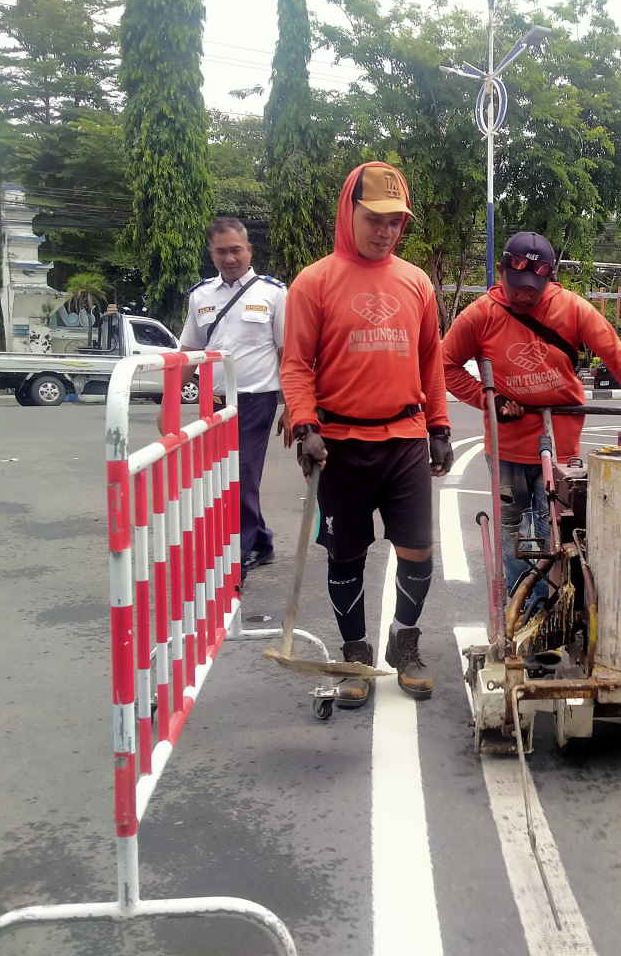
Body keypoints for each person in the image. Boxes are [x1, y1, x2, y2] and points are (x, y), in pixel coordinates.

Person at [280, 162, 453, 708]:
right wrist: (304, 422)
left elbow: (432, 362)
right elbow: (296, 364)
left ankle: (404, 642)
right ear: (348, 211)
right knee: (346, 555)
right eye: (375, 218)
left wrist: (441, 426)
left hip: (403, 436)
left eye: (396, 221)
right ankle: (354, 652)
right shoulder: (315, 281)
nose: (385, 230)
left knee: (419, 549)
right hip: (339, 445)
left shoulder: (416, 281)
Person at [442, 231, 621, 592]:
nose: (525, 295)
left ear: (549, 278)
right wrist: (490, 400)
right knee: (512, 530)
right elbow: (445, 366)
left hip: (560, 449)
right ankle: (518, 610)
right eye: (517, 286)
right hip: (507, 449)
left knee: (555, 534)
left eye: (534, 286)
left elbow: (620, 359)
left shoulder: (572, 309)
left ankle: (547, 609)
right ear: (501, 273)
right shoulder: (481, 315)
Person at [171, 217, 288, 577]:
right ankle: (262, 541)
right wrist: (169, 402)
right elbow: (188, 351)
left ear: (249, 250)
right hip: (212, 401)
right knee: (222, 477)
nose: (230, 257)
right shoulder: (200, 295)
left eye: (236, 249)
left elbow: (289, 354)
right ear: (212, 253)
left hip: (256, 401)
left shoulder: (273, 294)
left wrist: (294, 406)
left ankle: (235, 558)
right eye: (221, 251)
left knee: (241, 474)